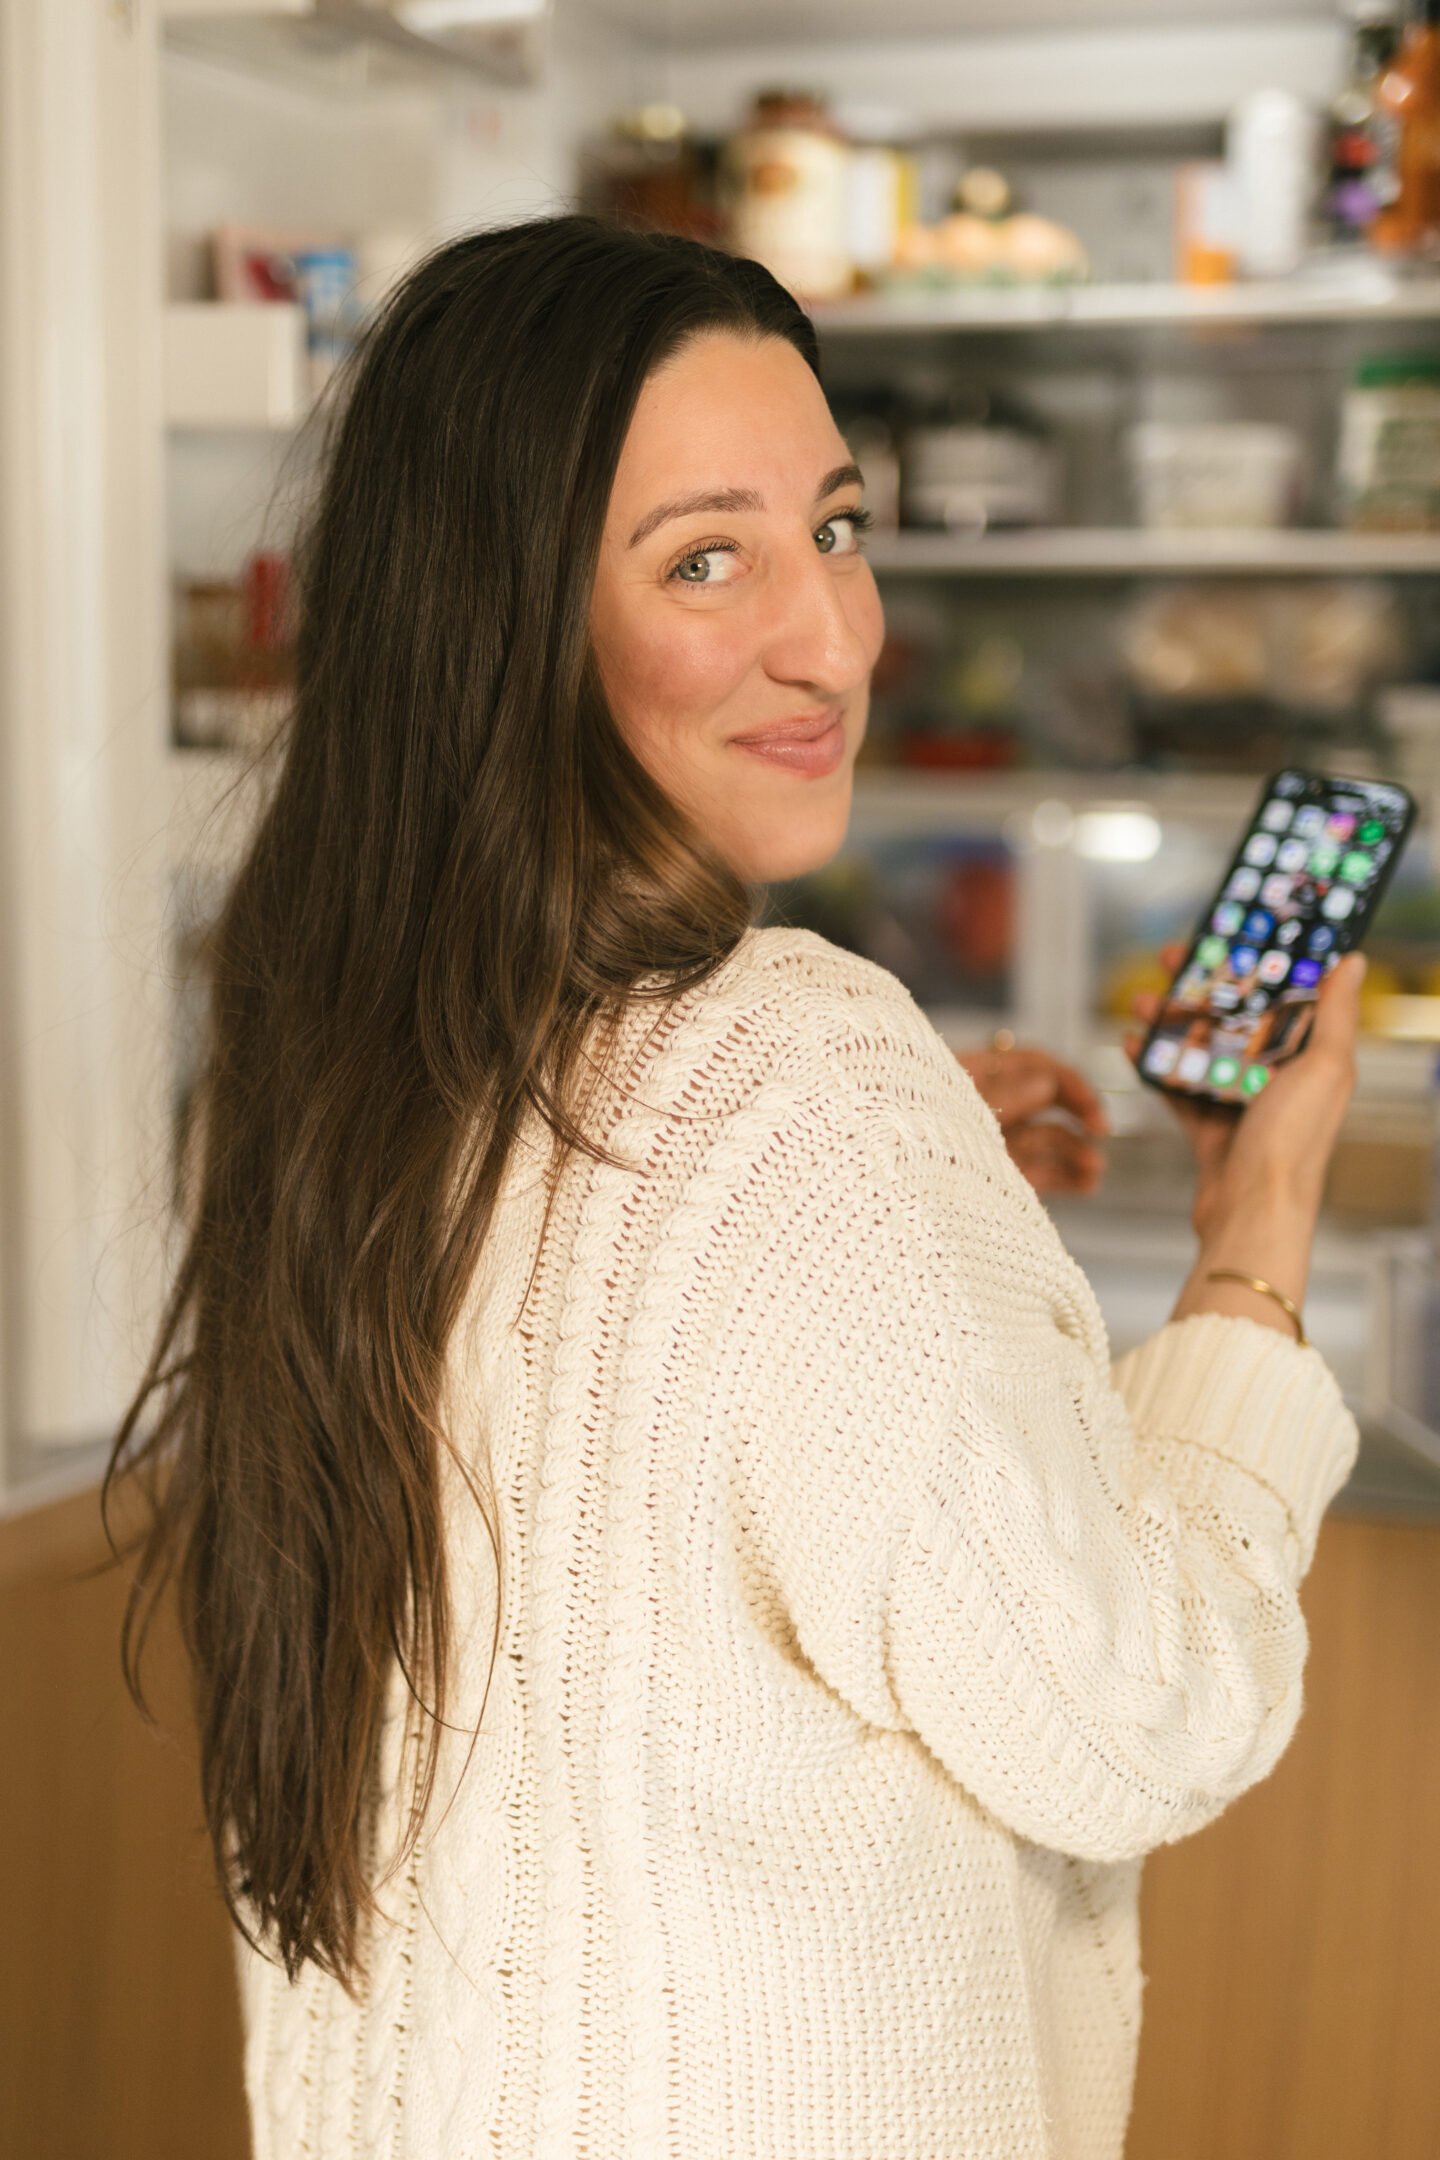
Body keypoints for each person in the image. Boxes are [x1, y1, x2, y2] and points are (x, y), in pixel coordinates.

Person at [104, 213, 1362, 2160]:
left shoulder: (321, 1053)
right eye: (708, 560)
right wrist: (1253, 1238)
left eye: (837, 530)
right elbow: (1138, 1714)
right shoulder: (789, 1074)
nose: (833, 639)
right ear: (507, 622)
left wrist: (898, 1199)